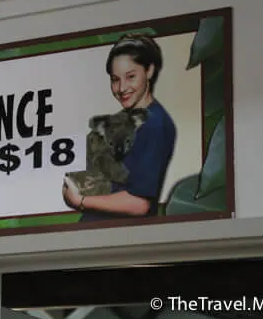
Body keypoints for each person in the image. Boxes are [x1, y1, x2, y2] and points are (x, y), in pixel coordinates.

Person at [62, 33, 177, 221]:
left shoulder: (154, 124)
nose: (122, 88)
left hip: (122, 232)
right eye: (115, 79)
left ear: (149, 70)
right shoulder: (121, 120)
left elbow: (139, 204)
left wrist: (80, 200)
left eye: (130, 77)